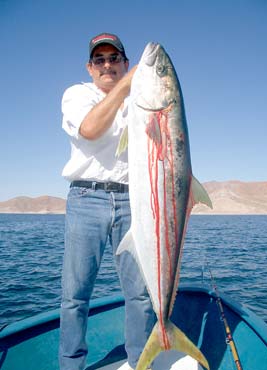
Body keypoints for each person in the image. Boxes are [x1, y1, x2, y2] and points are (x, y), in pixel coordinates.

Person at [59, 33, 155, 370]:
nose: (107, 65)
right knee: (75, 296)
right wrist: (124, 88)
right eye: (99, 59)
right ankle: (71, 364)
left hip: (135, 200)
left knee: (141, 294)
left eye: (114, 58)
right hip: (87, 199)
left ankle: (141, 360)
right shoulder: (77, 95)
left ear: (126, 64)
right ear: (90, 67)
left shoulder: (140, 97)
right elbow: (89, 130)